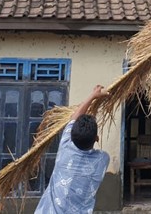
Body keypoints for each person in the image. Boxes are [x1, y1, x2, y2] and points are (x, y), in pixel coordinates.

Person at [35, 85, 111, 214]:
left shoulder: (65, 148)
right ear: (97, 138)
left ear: (71, 136)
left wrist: (93, 95)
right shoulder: (103, 159)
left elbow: (74, 118)